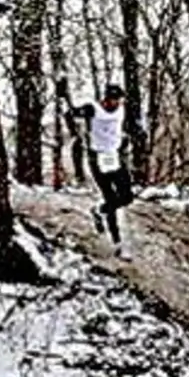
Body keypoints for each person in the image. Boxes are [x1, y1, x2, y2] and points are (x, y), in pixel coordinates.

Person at [65, 84, 134, 256]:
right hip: (98, 158)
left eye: (119, 100)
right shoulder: (92, 109)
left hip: (115, 156)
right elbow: (70, 114)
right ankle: (118, 244)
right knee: (110, 197)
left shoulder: (121, 109)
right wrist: (74, 132)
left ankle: (99, 210)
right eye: (113, 100)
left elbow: (125, 125)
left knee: (126, 197)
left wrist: (127, 137)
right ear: (106, 98)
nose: (116, 103)